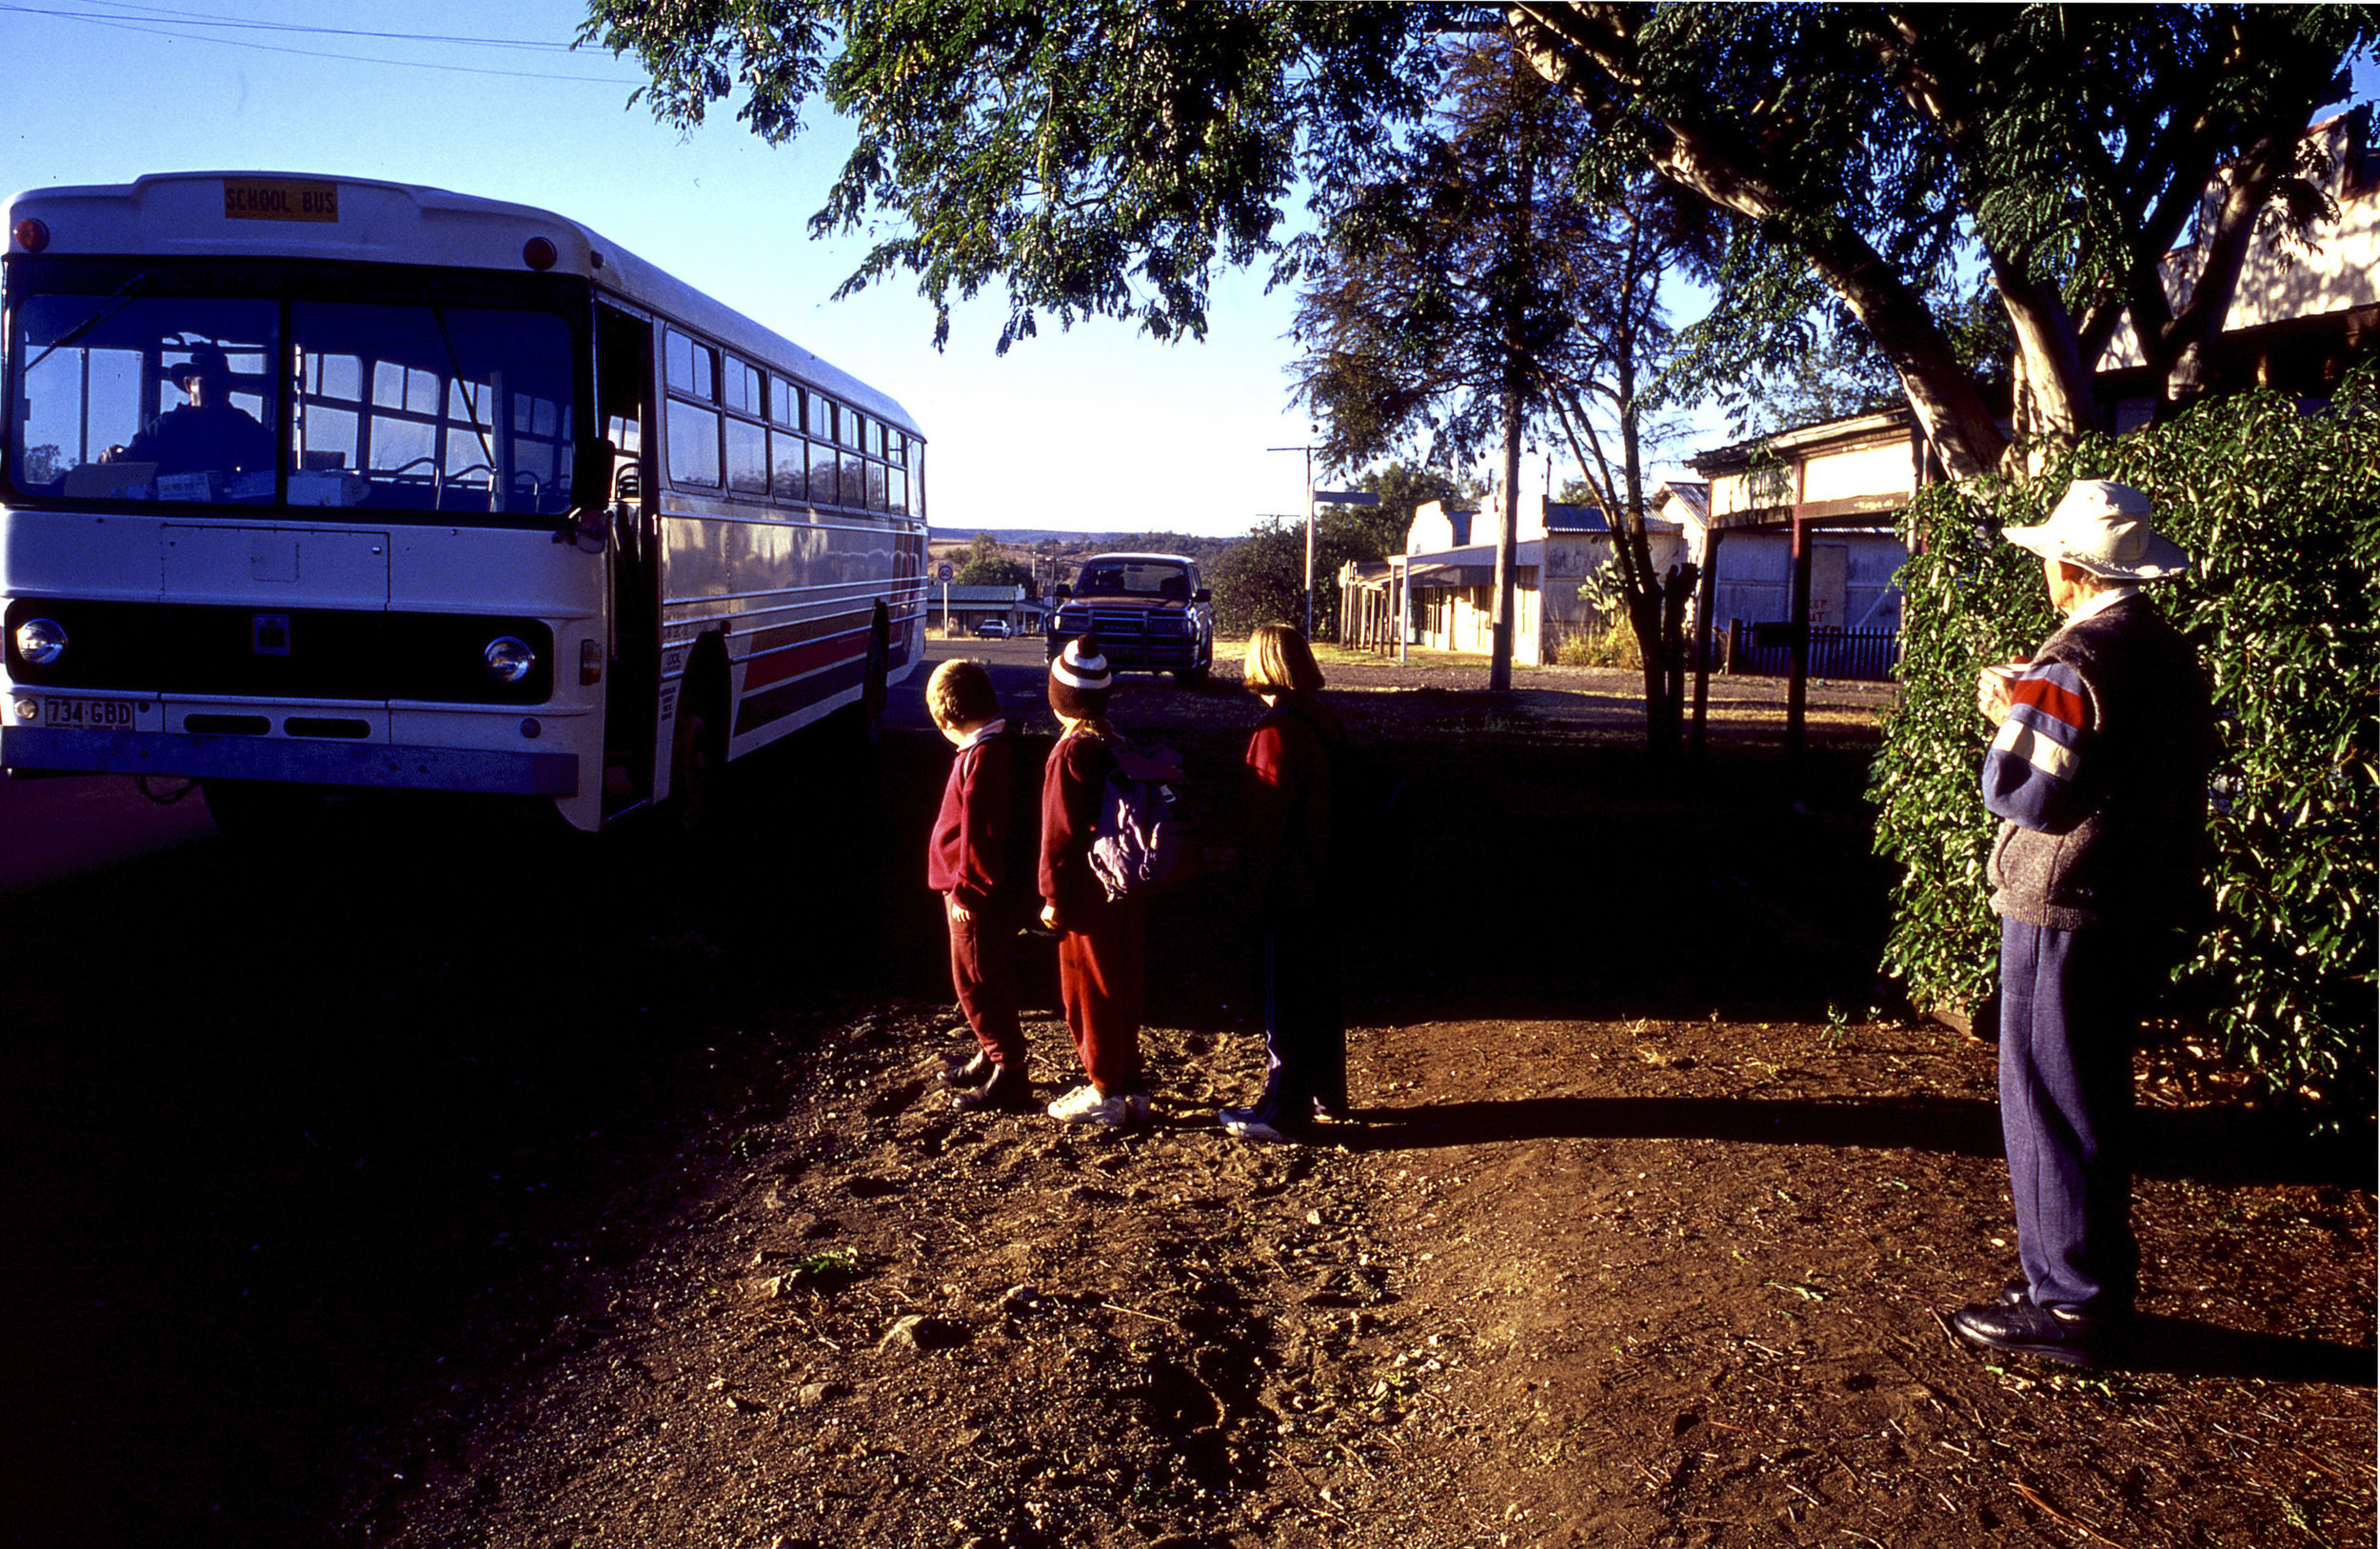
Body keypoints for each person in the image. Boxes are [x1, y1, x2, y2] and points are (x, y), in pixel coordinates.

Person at [1949, 479, 2213, 1367]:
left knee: (2047, 1095)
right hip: (2133, 897)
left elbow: (2025, 791)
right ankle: (2075, 1277)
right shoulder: (2163, 651)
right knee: (2090, 1089)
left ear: (2068, 568)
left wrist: (2008, 717)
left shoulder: (2077, 657)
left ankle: (2071, 1301)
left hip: (2064, 904)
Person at [1219, 622, 1349, 1144]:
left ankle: (1281, 1109)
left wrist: (1244, 891)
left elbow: (1263, 823)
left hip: (1288, 887)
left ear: (1262, 664)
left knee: (1283, 999)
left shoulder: (1273, 733)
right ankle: (1323, 1095)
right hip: (1327, 878)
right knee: (1318, 992)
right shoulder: (1323, 720)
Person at [1038, 637, 1152, 1127]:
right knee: (1122, 982)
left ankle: (1104, 1088)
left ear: (1058, 698)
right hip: (1126, 884)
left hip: (1086, 893)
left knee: (1088, 989)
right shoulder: (1116, 743)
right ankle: (1129, 1082)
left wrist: (1051, 896)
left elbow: (1058, 835)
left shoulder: (1069, 754)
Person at [924, 658, 1035, 1114]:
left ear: (947, 720)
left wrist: (967, 889)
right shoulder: (994, 746)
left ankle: (1009, 1070)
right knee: (988, 973)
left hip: (973, 894)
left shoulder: (984, 757)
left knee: (974, 980)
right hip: (980, 889)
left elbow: (981, 833)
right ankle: (990, 1054)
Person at [109, 344, 275, 478]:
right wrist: (115, 455)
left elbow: (275, 461)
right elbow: (134, 459)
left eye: (222, 381)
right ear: (189, 384)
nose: (217, 387)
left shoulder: (242, 424)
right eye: (208, 381)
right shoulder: (167, 425)